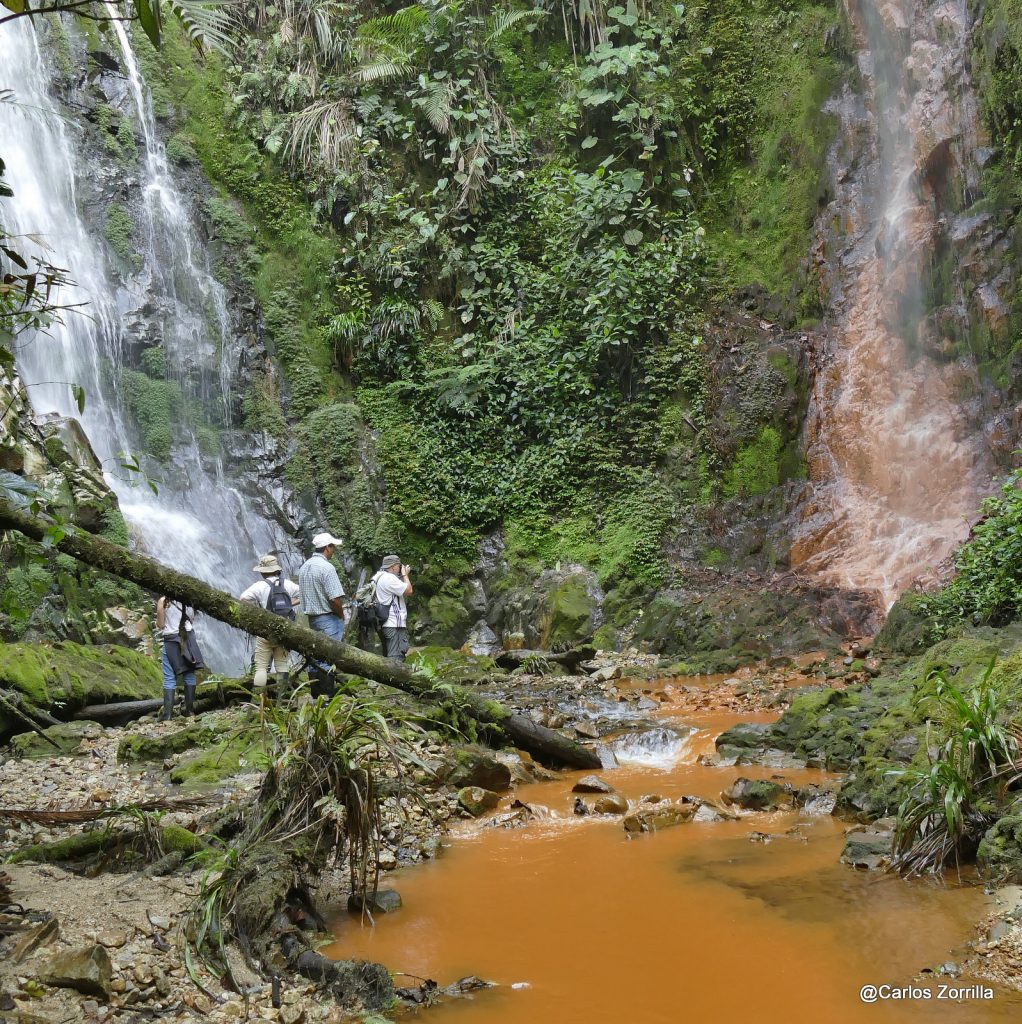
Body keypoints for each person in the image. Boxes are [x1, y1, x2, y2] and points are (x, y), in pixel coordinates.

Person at [239, 554, 300, 701]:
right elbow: (303, 594)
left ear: (263, 571)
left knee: (261, 666)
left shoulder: (259, 586)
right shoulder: (289, 584)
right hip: (285, 630)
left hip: (265, 630)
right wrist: (290, 604)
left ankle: (258, 699)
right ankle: (282, 698)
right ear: (276, 569)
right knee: (282, 664)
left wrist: (258, 612)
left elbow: (242, 599)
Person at [298, 531, 348, 694]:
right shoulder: (327, 567)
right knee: (328, 655)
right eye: (333, 547)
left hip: (313, 619)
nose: (334, 550)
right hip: (328, 618)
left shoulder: (305, 567)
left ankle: (315, 695)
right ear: (327, 547)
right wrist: (341, 615)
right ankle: (327, 696)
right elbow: (334, 599)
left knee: (316, 654)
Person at [156, 596, 204, 720]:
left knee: (169, 677)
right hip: (188, 639)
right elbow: (191, 620)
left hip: (172, 640)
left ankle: (167, 715)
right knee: (189, 674)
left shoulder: (163, 601)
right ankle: (190, 712)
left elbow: (161, 625)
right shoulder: (190, 601)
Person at [372, 554, 413, 660]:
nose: (400, 569)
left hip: (385, 623)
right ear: (393, 566)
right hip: (394, 623)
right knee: (396, 657)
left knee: (390, 654)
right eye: (399, 567)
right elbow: (408, 591)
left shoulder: (378, 576)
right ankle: (394, 677)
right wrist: (405, 575)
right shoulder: (389, 578)